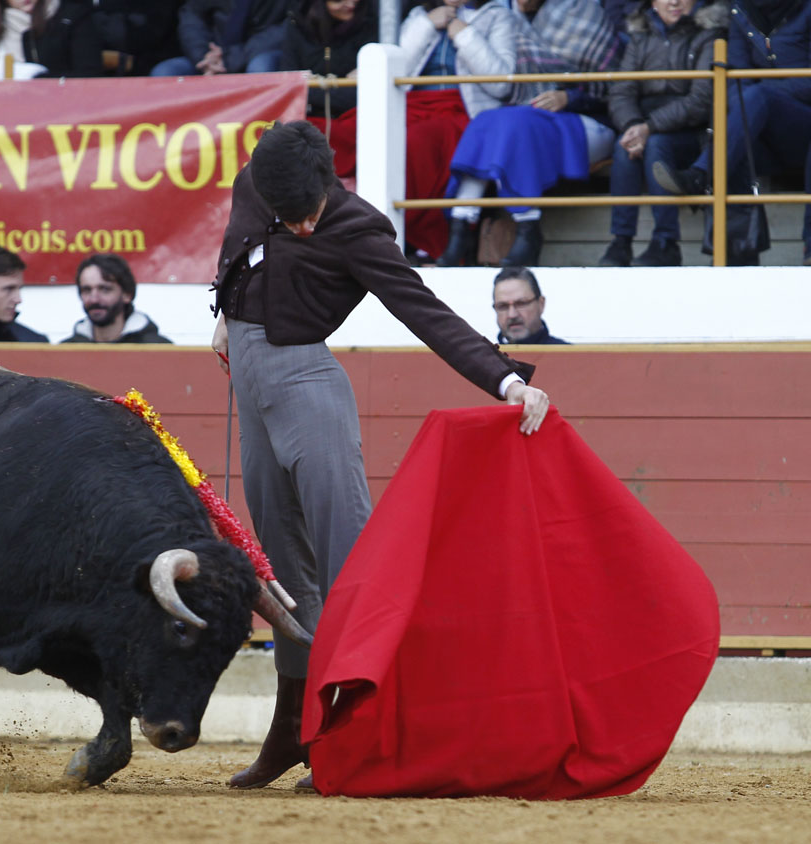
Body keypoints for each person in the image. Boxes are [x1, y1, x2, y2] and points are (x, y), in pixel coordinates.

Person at [210, 121, 549, 790]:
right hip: (250, 387)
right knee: (280, 574)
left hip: (308, 391)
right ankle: (291, 734)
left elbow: (425, 311)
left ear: (327, 188)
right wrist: (227, 306)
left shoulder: (360, 230)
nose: (303, 227)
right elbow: (237, 244)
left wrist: (506, 380)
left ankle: (363, 739)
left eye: (309, 214)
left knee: (351, 567)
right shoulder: (257, 182)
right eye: (291, 217)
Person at [437, 0, 621, 267]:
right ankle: (461, 227)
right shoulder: (508, 17)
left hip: (589, 124)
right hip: (531, 122)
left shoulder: (582, 12)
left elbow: (617, 92)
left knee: (516, 124)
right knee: (488, 121)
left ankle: (528, 229)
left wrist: (568, 97)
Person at [653, 0, 811, 265]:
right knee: (734, 132)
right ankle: (738, 258)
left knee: (752, 103)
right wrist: (751, 104)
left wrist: (764, 93)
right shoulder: (741, 11)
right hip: (766, 123)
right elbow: (737, 78)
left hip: (802, 124)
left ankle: (702, 173)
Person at [599, 0, 726, 267]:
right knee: (624, 148)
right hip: (645, 124)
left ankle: (666, 243)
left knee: (656, 145)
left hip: (693, 133)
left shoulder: (710, 33)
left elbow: (702, 99)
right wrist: (634, 126)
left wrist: (649, 127)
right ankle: (621, 242)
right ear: (652, 3)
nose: (674, 2)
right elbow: (621, 92)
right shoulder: (640, 36)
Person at [398, 0, 519, 260]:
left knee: (416, 140)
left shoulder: (497, 15)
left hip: (463, 109)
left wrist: (463, 33)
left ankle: (420, 239)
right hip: (413, 106)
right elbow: (396, 69)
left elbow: (502, 84)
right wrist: (427, 25)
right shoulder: (418, 15)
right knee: (361, 133)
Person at [279, 0, 378, 179]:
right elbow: (290, 86)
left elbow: (366, 96)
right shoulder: (295, 26)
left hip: (356, 120)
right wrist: (341, 84)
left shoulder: (371, 23)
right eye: (338, 0)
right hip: (308, 122)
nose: (350, 4)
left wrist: (312, 86)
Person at [150, 0, 290, 76]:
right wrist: (203, 55)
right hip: (208, 60)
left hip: (255, 56)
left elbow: (285, 29)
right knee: (165, 71)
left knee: (260, 66)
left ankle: (262, 127)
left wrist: (230, 58)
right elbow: (191, 17)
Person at [60, 254, 173, 344]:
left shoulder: (159, 350)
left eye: (105, 289)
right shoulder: (65, 352)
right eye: (87, 290)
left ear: (127, 294)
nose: (94, 299)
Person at [0, 0, 104, 78]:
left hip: (64, 109)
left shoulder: (73, 16)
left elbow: (89, 74)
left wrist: (35, 77)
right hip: (5, 108)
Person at [492, 265, 568, 344]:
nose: (512, 315)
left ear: (541, 304)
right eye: (503, 306)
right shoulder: (484, 355)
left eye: (521, 303)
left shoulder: (567, 355)